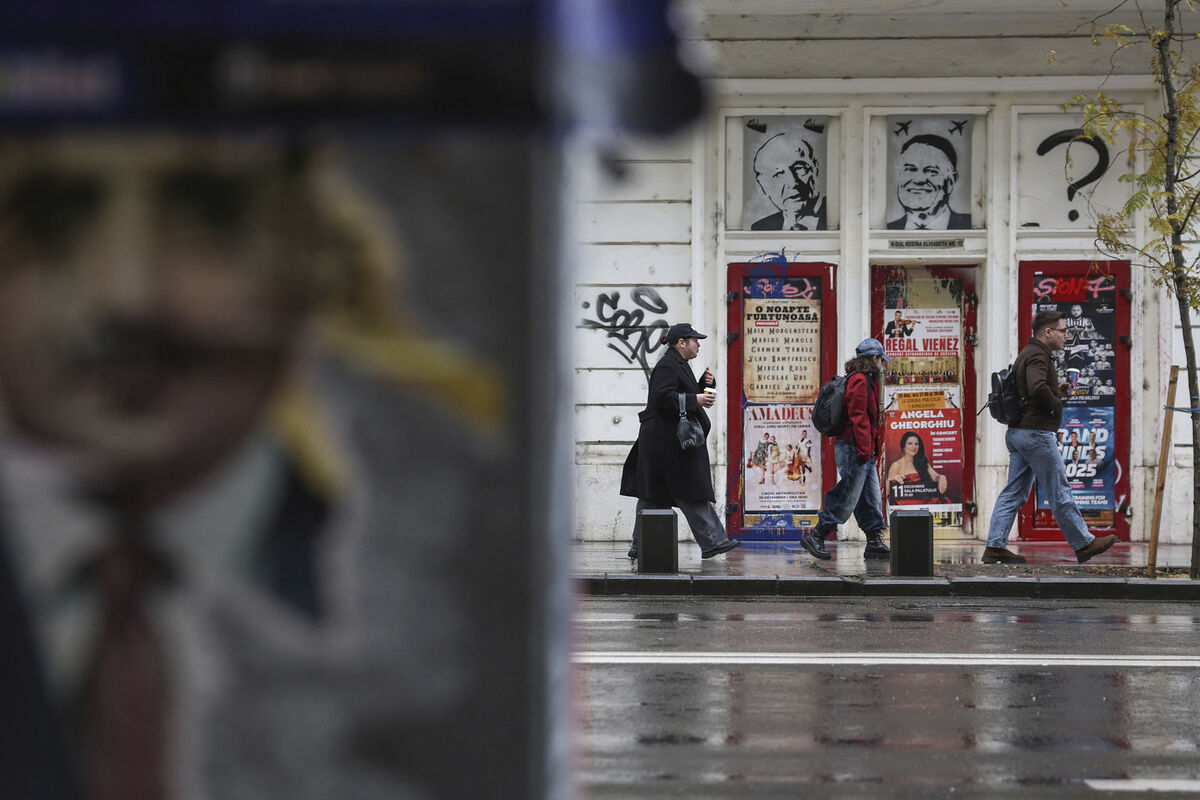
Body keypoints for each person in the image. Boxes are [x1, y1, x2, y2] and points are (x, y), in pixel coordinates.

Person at [0, 132, 504, 798]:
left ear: (315, 250)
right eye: (51, 217)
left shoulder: (460, 597)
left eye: (212, 213)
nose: (127, 293)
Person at [983, 310, 1119, 564]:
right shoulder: (1038, 355)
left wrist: (1056, 390)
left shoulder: (1028, 352)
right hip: (1036, 434)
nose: (1066, 336)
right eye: (1062, 331)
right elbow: (1036, 388)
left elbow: (1031, 389)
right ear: (1048, 332)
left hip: (1019, 432)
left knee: (1014, 492)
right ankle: (1084, 543)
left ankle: (995, 547)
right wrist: (1056, 402)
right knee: (1059, 490)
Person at [621, 323, 741, 560]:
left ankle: (640, 546)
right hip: (669, 445)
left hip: (665, 444)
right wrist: (696, 398)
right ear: (681, 342)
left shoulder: (677, 363)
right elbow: (662, 398)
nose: (698, 345)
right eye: (695, 340)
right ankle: (713, 541)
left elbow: (676, 394)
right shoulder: (668, 365)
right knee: (690, 490)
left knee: (653, 495)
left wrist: (704, 385)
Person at [800, 338, 891, 561]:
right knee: (847, 493)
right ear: (874, 359)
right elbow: (858, 418)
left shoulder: (863, 379)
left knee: (869, 495)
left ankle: (873, 541)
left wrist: (868, 450)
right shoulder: (859, 380)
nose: (883, 364)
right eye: (881, 360)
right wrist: (863, 450)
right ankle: (818, 534)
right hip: (854, 447)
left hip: (861, 448)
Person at [886, 134, 971, 230]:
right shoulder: (888, 230)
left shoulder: (971, 226)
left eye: (931, 171)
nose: (918, 180)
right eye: (910, 169)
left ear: (951, 181)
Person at [750, 132, 828, 231]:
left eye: (799, 168)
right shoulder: (760, 228)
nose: (792, 183)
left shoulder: (837, 217)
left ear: (816, 169)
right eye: (778, 174)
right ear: (763, 185)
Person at [886, 431, 949, 500]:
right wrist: (893, 480)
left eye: (916, 444)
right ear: (904, 446)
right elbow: (887, 493)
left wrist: (942, 477)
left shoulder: (922, 462)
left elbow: (936, 477)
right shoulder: (896, 465)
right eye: (910, 443)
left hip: (927, 500)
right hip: (906, 503)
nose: (914, 447)